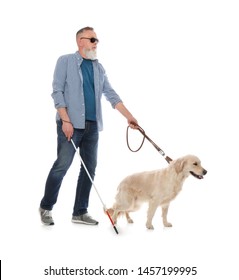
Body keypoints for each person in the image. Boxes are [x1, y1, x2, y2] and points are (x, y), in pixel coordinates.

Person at [39, 26, 138, 226]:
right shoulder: (65, 61)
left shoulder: (98, 68)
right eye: (92, 39)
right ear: (80, 41)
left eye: (97, 40)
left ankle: (80, 212)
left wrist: (130, 117)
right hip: (70, 125)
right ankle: (46, 207)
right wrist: (65, 120)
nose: (96, 43)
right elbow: (57, 91)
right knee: (62, 166)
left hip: (92, 127)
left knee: (89, 169)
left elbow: (111, 94)